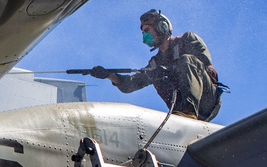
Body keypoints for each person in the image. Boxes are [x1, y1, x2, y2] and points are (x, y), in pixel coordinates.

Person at [87, 10, 224, 121]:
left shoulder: (187, 39)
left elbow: (208, 68)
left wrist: (170, 70)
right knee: (155, 75)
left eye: (147, 30)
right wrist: (108, 75)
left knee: (185, 60)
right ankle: (179, 114)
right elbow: (130, 85)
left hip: (207, 100)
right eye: (143, 32)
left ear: (161, 27)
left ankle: (188, 111)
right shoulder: (155, 62)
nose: (144, 35)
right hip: (181, 105)